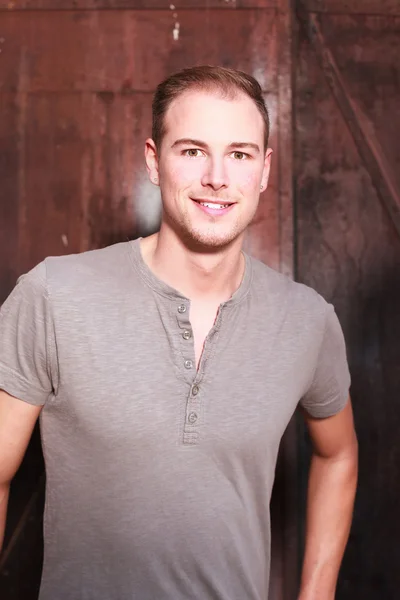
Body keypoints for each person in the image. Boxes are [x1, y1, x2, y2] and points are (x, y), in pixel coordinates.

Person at [0, 65, 358, 600]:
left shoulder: (307, 320)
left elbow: (339, 454)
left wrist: (318, 593)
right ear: (154, 160)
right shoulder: (55, 294)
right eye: (192, 151)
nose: (217, 177)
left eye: (239, 155)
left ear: (263, 170)